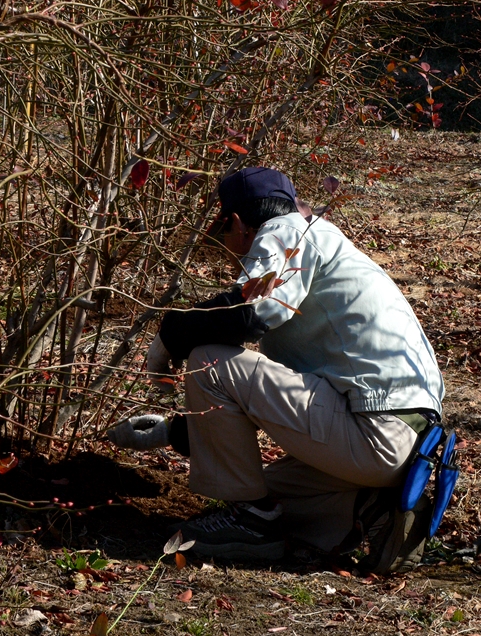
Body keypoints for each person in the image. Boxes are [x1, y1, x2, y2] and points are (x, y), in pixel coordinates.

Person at [108, 167, 445, 573]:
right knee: (267, 491)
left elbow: (250, 311)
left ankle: (251, 524)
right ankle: (369, 508)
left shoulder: (285, 231)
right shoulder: (328, 245)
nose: (229, 250)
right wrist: (175, 432)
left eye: (224, 234)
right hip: (405, 447)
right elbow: (284, 402)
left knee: (209, 360)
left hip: (374, 434)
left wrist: (171, 334)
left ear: (238, 223)